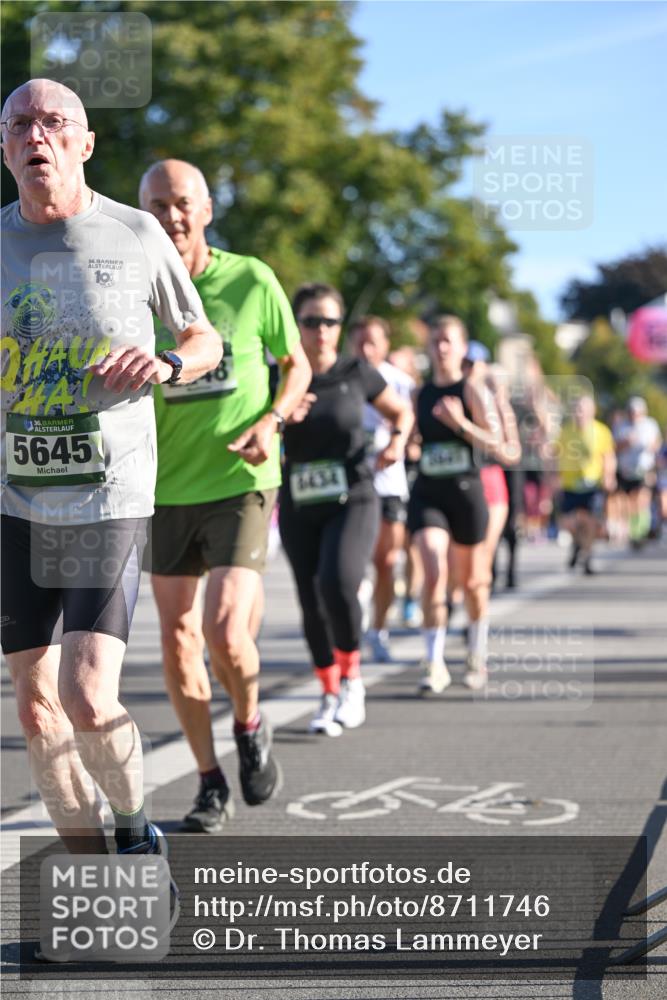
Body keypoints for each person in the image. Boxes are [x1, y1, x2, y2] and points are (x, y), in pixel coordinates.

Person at [0, 81, 221, 861]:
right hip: (15, 504)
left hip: (107, 495)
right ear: (4, 149)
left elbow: (204, 338)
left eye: (54, 123)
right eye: (20, 124)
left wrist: (165, 361)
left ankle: (134, 829)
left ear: (85, 144)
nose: (38, 136)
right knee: (33, 711)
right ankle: (97, 879)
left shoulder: (133, 234)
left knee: (88, 697)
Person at [139, 159, 311, 831]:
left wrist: (271, 421)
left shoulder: (250, 279)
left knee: (222, 631)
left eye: (181, 203)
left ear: (206, 209)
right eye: (156, 205)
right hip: (162, 486)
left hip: (241, 479)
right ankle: (210, 781)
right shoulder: (134, 292)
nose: (171, 216)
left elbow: (294, 363)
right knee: (178, 642)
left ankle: (248, 719)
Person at [279, 284, 412, 736]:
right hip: (299, 498)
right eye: (311, 321)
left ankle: (353, 679)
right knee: (310, 600)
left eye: (330, 322)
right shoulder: (281, 373)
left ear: (340, 328)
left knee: (338, 581)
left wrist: (396, 442)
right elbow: (253, 426)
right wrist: (282, 417)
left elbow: (401, 413)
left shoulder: (358, 371)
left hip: (354, 494)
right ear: (296, 325)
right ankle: (328, 691)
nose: (320, 331)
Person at [407, 316, 501, 693]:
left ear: (462, 348)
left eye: (447, 341)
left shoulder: (473, 391)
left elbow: (495, 441)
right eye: (435, 341)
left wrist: (461, 424)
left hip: (467, 494)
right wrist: (405, 444)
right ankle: (434, 663)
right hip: (429, 492)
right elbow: (412, 437)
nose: (441, 348)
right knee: (432, 569)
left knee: (475, 582)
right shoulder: (419, 394)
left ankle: (476, 653)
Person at [349, 316, 415, 662]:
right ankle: (355, 617)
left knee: (387, 561)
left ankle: (378, 629)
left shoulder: (399, 382)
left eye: (373, 341)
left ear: (385, 345)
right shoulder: (341, 378)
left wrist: (400, 442)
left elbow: (412, 425)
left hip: (389, 483)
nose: (365, 348)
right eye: (359, 341)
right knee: (352, 561)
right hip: (351, 482)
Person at [557, 394, 616, 574]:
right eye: (576, 409)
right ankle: (578, 544)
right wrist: (552, 476)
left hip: (592, 484)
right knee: (570, 522)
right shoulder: (566, 431)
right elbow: (555, 454)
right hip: (569, 483)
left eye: (582, 409)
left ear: (592, 411)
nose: (579, 413)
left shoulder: (601, 431)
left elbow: (608, 456)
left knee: (591, 521)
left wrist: (609, 476)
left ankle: (587, 556)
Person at [613, 396, 661, 549]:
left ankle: (642, 530)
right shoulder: (621, 426)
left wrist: (649, 447)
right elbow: (614, 447)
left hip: (644, 468)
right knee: (630, 502)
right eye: (632, 412)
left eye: (637, 412)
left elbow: (657, 443)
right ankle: (635, 532)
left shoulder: (650, 424)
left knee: (642, 499)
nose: (635, 415)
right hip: (626, 470)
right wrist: (626, 443)